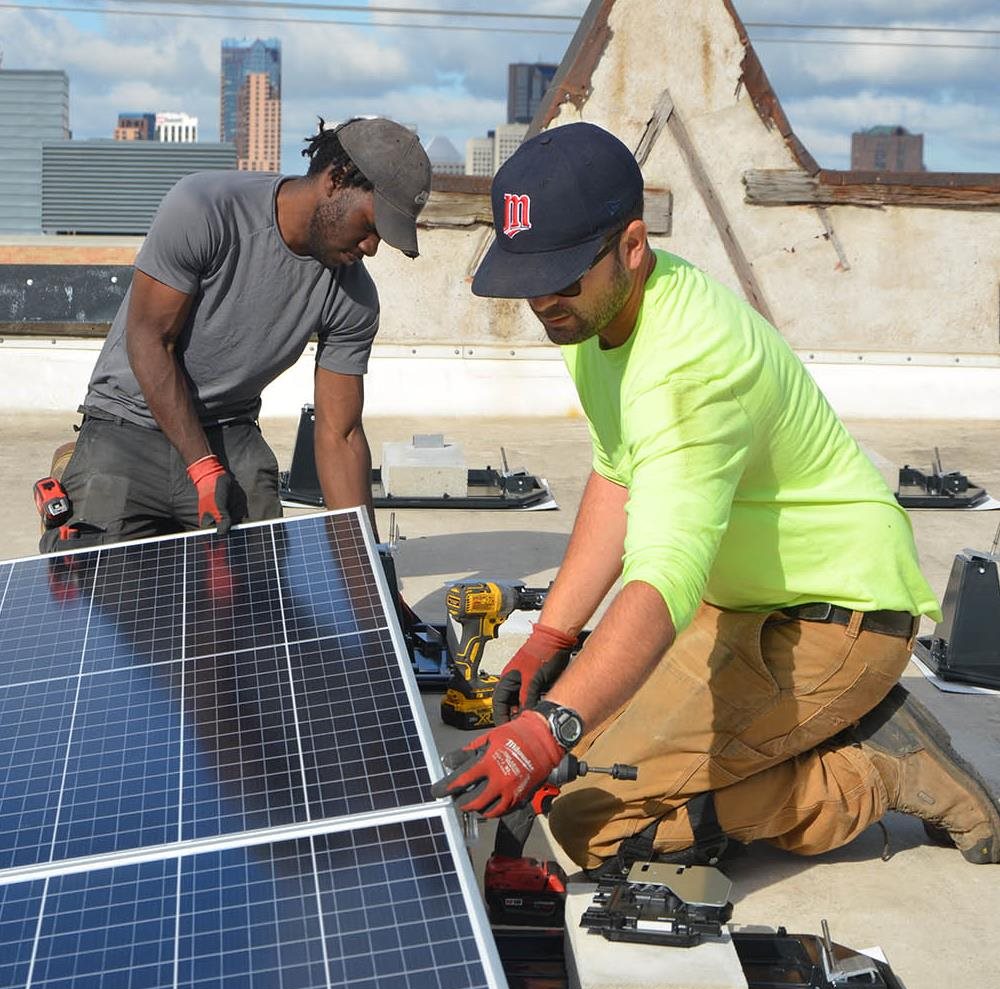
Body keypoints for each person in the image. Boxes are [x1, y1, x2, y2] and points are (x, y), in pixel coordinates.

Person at [432, 122, 999, 872]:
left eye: (562, 276)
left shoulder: (689, 367)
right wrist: (550, 640)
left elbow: (664, 572)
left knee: (584, 818)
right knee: (580, 735)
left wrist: (546, 732)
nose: (543, 301)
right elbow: (617, 475)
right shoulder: (597, 320)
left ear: (633, 247)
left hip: (833, 619)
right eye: (528, 277)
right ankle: (809, 729)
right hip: (739, 600)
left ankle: (879, 772)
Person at [40, 116, 431, 552]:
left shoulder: (353, 295)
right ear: (336, 181)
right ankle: (82, 461)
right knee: (95, 595)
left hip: (230, 429)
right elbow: (150, 341)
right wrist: (203, 470)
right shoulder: (204, 208)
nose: (372, 248)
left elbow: (340, 436)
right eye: (371, 226)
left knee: (254, 599)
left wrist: (367, 562)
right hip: (127, 422)